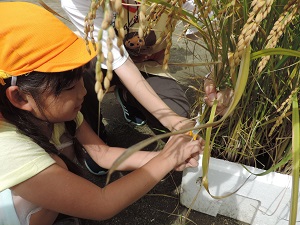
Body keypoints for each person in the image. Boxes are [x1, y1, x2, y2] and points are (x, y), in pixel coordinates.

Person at [0, 2, 205, 225]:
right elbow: (101, 203)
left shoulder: (52, 113)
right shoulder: (8, 148)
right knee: (55, 167)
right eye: (70, 87)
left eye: (80, 79)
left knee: (58, 165)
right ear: (20, 97)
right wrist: (166, 158)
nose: (84, 91)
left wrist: (166, 157)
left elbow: (103, 154)